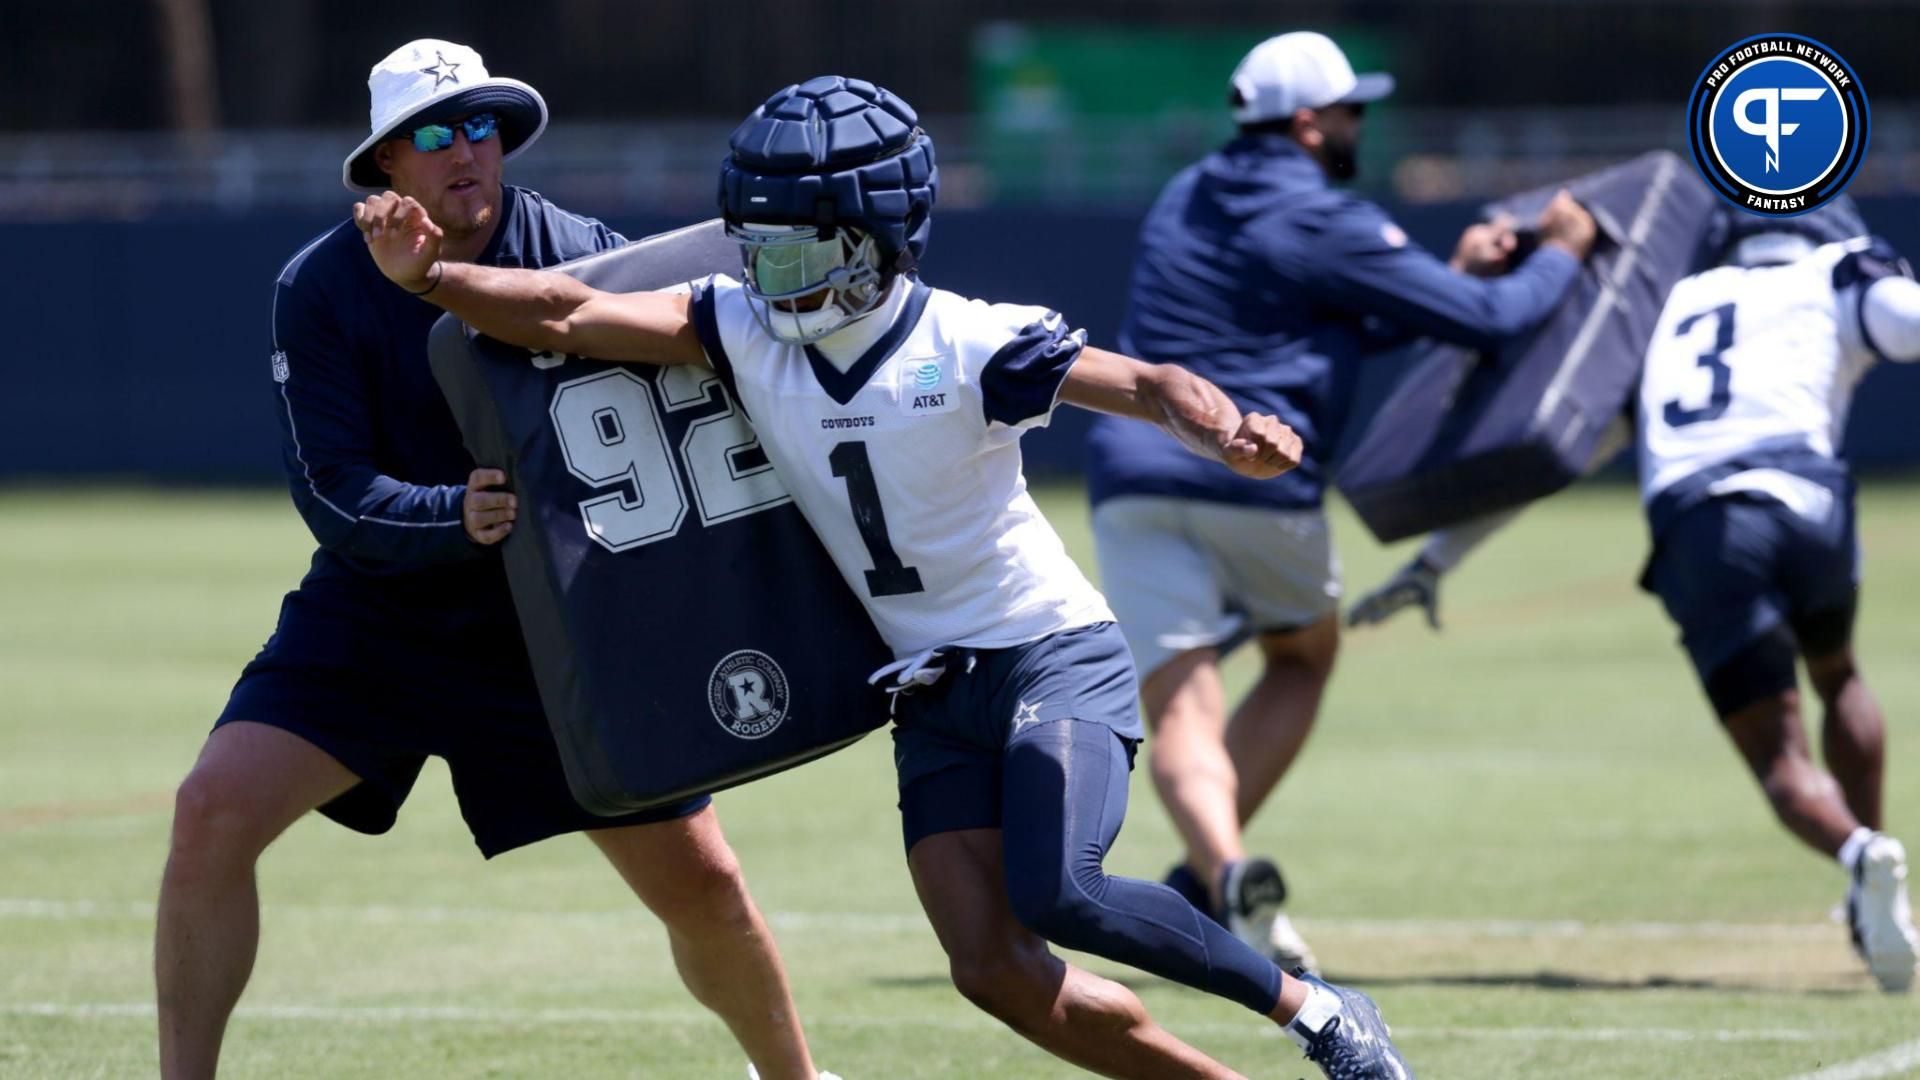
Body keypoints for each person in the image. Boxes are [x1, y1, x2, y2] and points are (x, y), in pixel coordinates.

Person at [358, 75, 1417, 1080]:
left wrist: (1228, 430)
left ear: (868, 248)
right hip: (931, 683)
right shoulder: (740, 327)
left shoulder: (966, 342)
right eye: (755, 249)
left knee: (1065, 894)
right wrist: (433, 279)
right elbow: (561, 314)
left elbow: (1145, 381)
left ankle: (1320, 1012)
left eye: (788, 253)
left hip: (1048, 651)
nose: (762, 275)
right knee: (992, 970)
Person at [154, 40, 835, 1079]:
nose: (463, 149)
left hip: (558, 627)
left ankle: (791, 1078)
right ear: (386, 164)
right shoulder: (320, 288)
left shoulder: (584, 253)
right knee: (210, 812)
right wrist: (448, 513)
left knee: (704, 882)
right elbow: (331, 489)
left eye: (480, 125)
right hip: (383, 621)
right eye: (431, 133)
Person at [1079, 30, 1598, 972]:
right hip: (1259, 477)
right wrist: (1557, 255)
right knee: (1303, 656)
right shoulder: (1325, 217)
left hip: (1133, 473)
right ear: (1311, 123)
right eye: (1353, 108)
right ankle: (1213, 875)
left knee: (1183, 705)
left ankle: (1222, 868)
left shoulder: (1185, 192)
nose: (1365, 121)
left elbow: (1317, 316)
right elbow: (1490, 325)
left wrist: (1454, 275)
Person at [1348, 201, 1920, 992]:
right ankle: (1874, 875)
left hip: (1706, 522)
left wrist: (1436, 559)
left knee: (1779, 754)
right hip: (1810, 497)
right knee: (1840, 674)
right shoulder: (1836, 271)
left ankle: (1860, 853)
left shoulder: (1667, 308)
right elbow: (1907, 322)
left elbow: (1559, 452)